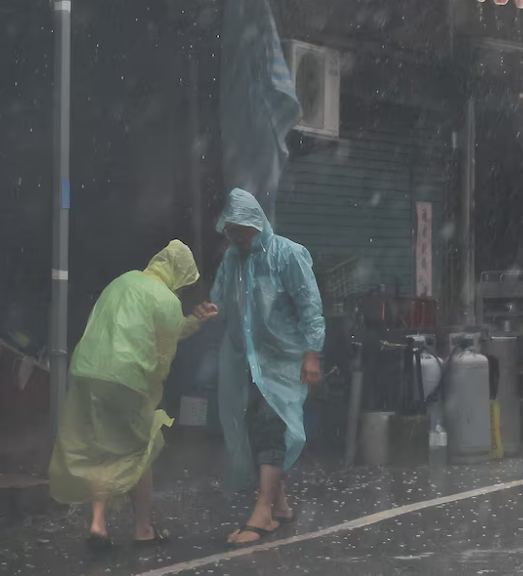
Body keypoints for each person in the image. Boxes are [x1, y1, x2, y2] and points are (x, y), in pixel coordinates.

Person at [48, 240, 218, 550]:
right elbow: (164, 351)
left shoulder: (122, 281)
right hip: (125, 378)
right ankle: (143, 529)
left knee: (101, 447)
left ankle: (98, 525)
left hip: (87, 372)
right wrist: (152, 387)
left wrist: (194, 321)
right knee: (141, 450)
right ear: (179, 273)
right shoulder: (166, 299)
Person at [210, 188, 325, 546]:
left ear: (256, 223)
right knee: (254, 427)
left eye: (241, 230)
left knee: (271, 426)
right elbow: (221, 299)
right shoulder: (232, 259)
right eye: (231, 232)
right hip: (245, 359)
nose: (237, 238)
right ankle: (280, 506)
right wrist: (206, 312)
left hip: (283, 360)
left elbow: (310, 306)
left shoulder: (287, 255)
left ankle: (262, 514)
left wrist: (311, 353)